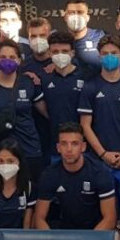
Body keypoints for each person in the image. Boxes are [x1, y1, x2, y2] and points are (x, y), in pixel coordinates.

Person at [80, 35, 120, 211]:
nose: (109, 56)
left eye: (114, 53)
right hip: (99, 161)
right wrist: (103, 154)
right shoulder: (90, 86)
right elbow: (85, 125)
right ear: (99, 56)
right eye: (105, 53)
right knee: (103, 212)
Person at [0, 38, 48, 177]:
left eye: (12, 57)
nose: (7, 60)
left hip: (29, 149)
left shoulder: (29, 83)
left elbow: (46, 112)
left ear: (19, 60)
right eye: (3, 57)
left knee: (30, 189)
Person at [35, 123, 117, 231]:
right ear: (58, 148)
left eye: (74, 144)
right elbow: (39, 218)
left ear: (83, 147)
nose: (69, 149)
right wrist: (51, 238)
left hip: (96, 230)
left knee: (117, 237)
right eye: (64, 144)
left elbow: (110, 219)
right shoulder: (49, 174)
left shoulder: (100, 172)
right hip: (64, 231)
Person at [40, 32, 86, 163]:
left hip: (82, 146)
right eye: (55, 51)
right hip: (54, 145)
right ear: (49, 53)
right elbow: (42, 107)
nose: (60, 55)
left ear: (72, 53)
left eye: (65, 51)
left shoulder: (85, 76)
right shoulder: (44, 78)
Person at [64, 0, 106, 72]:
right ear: (65, 17)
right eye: (71, 13)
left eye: (80, 12)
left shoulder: (101, 36)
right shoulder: (58, 41)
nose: (76, 16)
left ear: (87, 17)